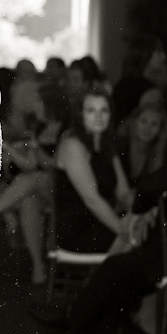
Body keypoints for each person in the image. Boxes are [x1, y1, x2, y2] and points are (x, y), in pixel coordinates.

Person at [59, 86, 167, 334]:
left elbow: (149, 187)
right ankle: (88, 331)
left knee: (117, 273)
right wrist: (141, 216)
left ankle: (75, 329)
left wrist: (138, 213)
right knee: (121, 275)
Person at [53, 86, 131, 253]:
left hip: (102, 221)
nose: (99, 116)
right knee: (137, 243)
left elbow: (124, 194)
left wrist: (139, 214)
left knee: (148, 232)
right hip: (79, 229)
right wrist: (125, 231)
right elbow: (92, 199)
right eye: (91, 110)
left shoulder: (108, 145)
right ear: (80, 115)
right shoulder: (72, 144)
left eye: (104, 110)